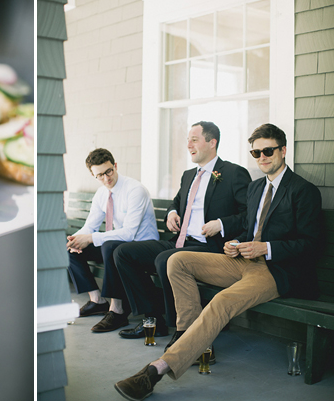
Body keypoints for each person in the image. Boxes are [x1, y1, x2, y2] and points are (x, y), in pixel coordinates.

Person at [114, 123, 323, 401]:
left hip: (276, 270)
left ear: (283, 151)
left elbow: (311, 246)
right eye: (256, 152)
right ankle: (191, 338)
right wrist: (235, 243)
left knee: (221, 302)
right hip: (243, 261)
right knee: (176, 261)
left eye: (268, 150)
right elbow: (249, 229)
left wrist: (266, 248)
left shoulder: (303, 190)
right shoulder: (256, 187)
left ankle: (156, 370)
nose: (262, 157)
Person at [114, 121, 250, 340]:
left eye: (194, 140)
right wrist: (171, 213)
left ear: (212, 142)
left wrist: (221, 224)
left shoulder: (234, 173)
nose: (188, 145)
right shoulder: (189, 175)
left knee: (165, 260)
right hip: (180, 240)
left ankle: (183, 329)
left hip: (209, 247)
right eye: (188, 140)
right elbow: (176, 203)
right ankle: (153, 318)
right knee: (123, 253)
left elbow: (249, 215)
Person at [67, 148, 159, 333]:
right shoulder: (102, 194)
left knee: (109, 246)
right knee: (69, 247)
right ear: (94, 175)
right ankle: (97, 300)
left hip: (143, 246)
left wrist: (91, 238)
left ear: (115, 166)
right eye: (100, 175)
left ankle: (117, 310)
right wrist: (75, 240)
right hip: (118, 244)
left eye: (108, 171)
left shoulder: (135, 190)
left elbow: (129, 234)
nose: (106, 178)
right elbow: (89, 226)